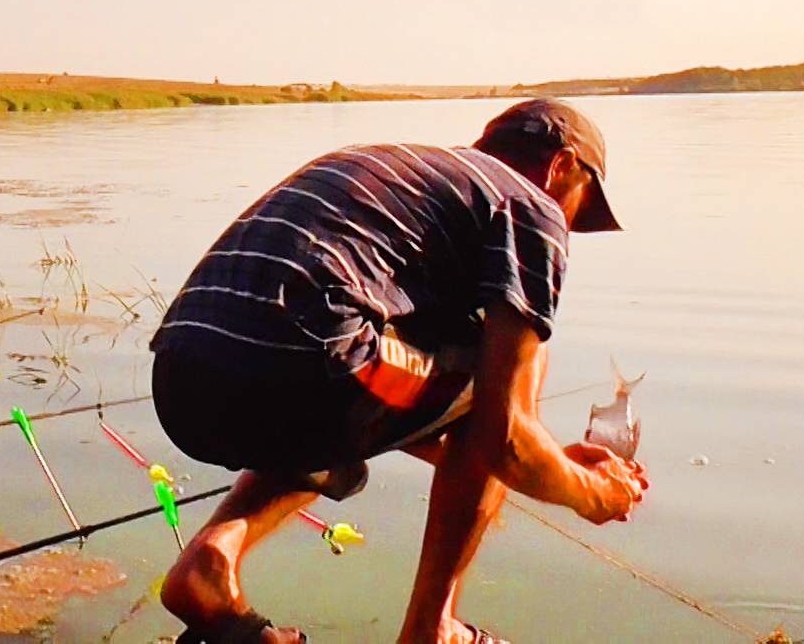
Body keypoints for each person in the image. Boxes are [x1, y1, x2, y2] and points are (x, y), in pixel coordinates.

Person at [150, 99, 649, 644]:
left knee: (360, 382)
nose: (570, 228)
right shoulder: (530, 204)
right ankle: (430, 630)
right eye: (581, 207)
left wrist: (543, 461)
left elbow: (419, 409)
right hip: (308, 368)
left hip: (181, 376)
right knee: (485, 386)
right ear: (562, 166)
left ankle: (211, 561)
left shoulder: (425, 179)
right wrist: (592, 493)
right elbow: (502, 435)